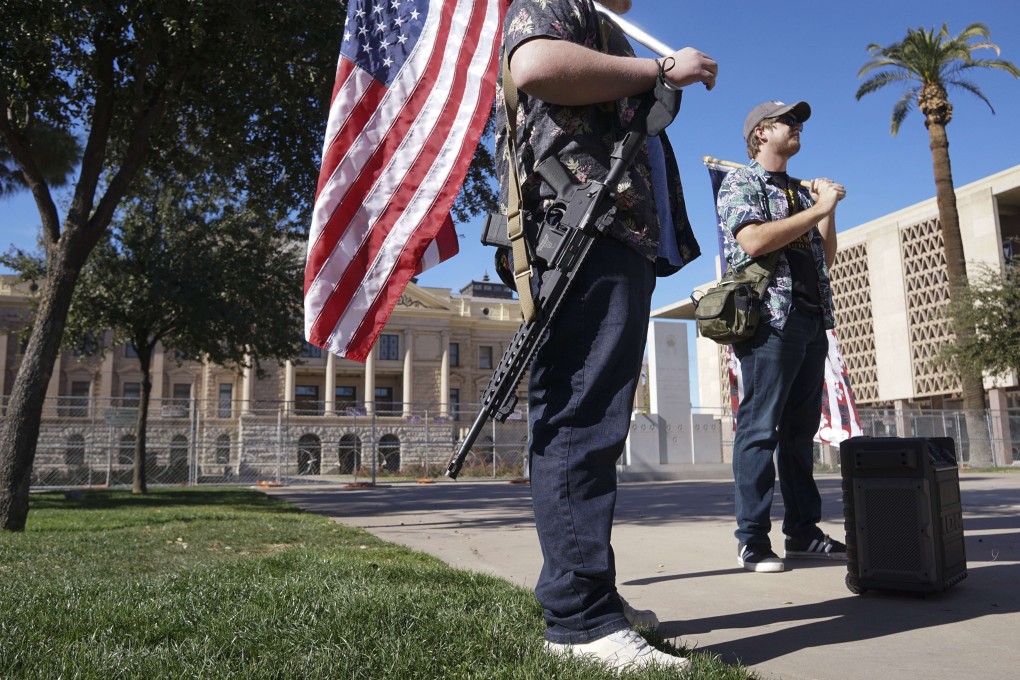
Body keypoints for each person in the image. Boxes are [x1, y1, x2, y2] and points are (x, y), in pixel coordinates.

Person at [494, 0, 717, 671]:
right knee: (578, 420)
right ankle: (579, 622)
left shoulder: (604, 27)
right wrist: (659, 67)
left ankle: (594, 598)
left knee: (597, 423)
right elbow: (534, 65)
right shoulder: (552, 5)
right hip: (582, 235)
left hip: (612, 238)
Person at [716, 100, 848, 573]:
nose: (798, 128)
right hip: (770, 321)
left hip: (812, 319)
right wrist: (818, 208)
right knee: (759, 430)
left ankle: (803, 533)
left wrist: (824, 212)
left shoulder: (800, 191)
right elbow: (752, 240)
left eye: (799, 121)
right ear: (761, 134)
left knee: (799, 434)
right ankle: (751, 540)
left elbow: (824, 258)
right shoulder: (742, 182)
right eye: (788, 122)